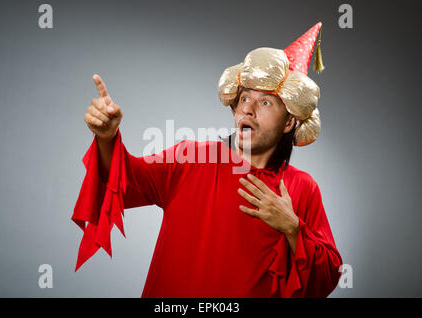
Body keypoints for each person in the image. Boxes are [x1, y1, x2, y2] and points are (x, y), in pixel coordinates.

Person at [72, 22, 343, 298]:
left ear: (289, 122)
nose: (247, 108)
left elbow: (326, 278)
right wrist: (108, 138)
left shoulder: (303, 188)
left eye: (265, 102)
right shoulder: (191, 159)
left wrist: (293, 227)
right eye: (244, 97)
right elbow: (118, 182)